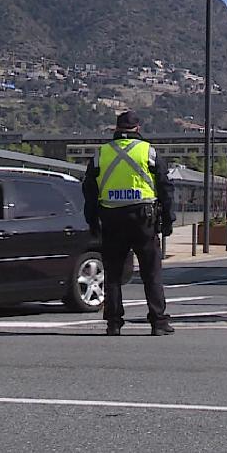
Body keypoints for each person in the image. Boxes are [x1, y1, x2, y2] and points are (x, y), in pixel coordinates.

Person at [83, 111, 175, 336]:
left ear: (116, 128)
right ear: (137, 128)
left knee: (113, 274)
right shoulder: (148, 152)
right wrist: (168, 219)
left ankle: (113, 322)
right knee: (151, 272)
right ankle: (158, 322)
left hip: (112, 218)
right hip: (144, 218)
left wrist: (92, 220)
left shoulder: (101, 154)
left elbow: (89, 190)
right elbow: (165, 186)